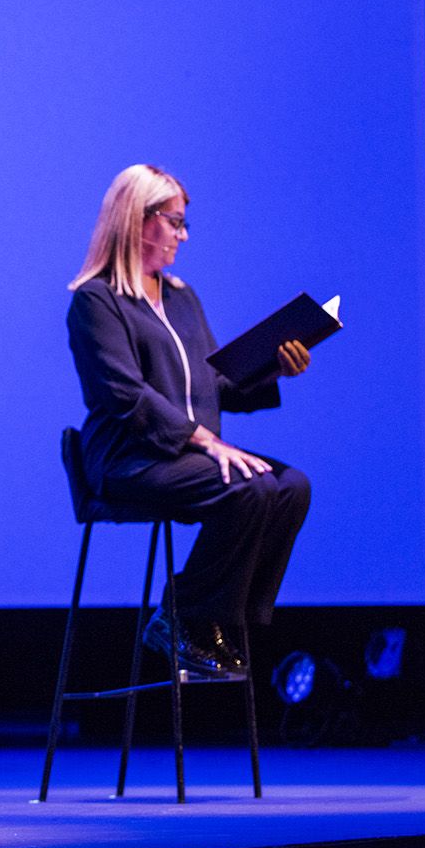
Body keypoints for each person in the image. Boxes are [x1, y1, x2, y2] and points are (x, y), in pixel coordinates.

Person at [66, 164, 312, 676]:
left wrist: (275, 369)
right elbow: (126, 396)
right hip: (128, 459)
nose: (182, 235)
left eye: (183, 224)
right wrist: (206, 442)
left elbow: (212, 385)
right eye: (174, 222)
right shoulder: (97, 300)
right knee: (251, 490)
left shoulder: (181, 297)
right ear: (137, 220)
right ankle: (184, 616)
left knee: (290, 486)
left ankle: (223, 621)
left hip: (183, 454)